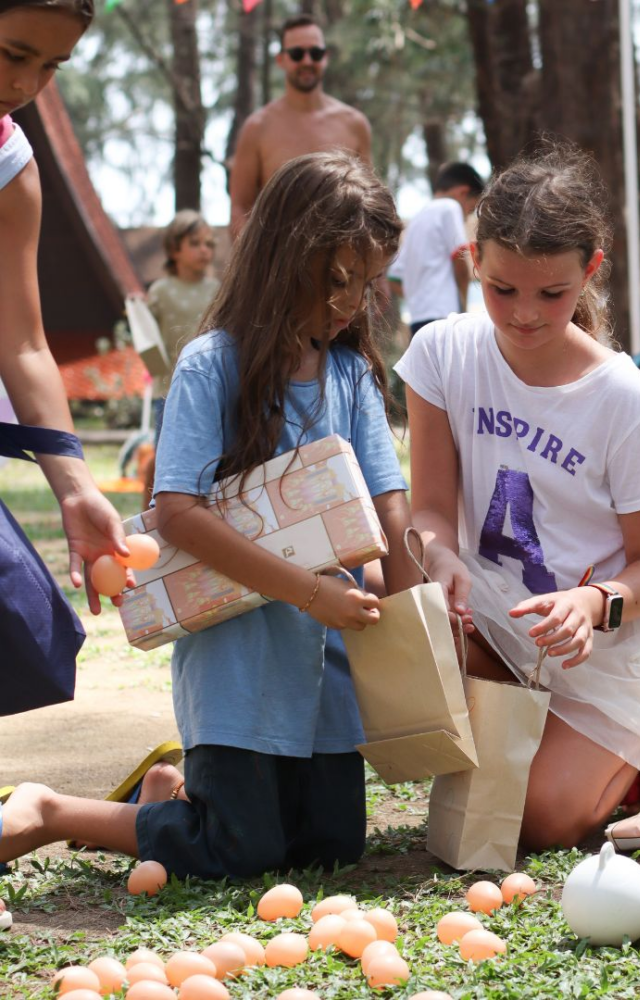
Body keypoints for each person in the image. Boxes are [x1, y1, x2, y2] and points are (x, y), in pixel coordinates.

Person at [0, 151, 422, 878]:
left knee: (331, 847)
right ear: (287, 258)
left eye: (369, 283)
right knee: (240, 849)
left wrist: (418, 607)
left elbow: (389, 507)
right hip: (239, 663)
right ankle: (52, 810)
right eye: (340, 280)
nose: (353, 302)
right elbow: (176, 514)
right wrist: (312, 592)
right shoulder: (210, 365)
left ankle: (172, 789)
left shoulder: (350, 374)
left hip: (327, 674)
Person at [396, 145, 640, 851]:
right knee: (381, 585)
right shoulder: (442, 355)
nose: (525, 315)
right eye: (502, 288)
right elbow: (428, 511)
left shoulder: (623, 399)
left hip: (604, 652)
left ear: (590, 271)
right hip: (493, 619)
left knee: (536, 824)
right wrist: (440, 555)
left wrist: (591, 605)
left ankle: (633, 762)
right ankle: (527, 734)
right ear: (473, 258)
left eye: (552, 293)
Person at [0, 0, 128, 619]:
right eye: (12, 54)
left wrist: (76, 488)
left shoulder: (9, 166)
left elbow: (23, 343)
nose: (24, 85)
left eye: (50, 65)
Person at [229, 12, 372, 239]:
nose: (307, 61)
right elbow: (240, 207)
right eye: (297, 54)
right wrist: (254, 265)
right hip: (279, 266)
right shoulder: (257, 128)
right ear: (281, 60)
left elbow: (369, 204)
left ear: (325, 57)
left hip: (342, 266)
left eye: (315, 53)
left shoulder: (354, 124)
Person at [141, 209, 219, 506]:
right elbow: (145, 334)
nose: (205, 250)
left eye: (209, 244)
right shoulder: (160, 291)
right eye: (196, 243)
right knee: (164, 454)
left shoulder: (216, 290)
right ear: (174, 249)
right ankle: (153, 512)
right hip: (169, 389)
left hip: (211, 388)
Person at [388, 161, 484, 337]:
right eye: (470, 209)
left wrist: (419, 299)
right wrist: (463, 311)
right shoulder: (450, 207)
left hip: (418, 319)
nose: (466, 216)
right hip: (444, 316)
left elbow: (394, 278)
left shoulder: (417, 220)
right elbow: (460, 260)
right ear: (463, 193)